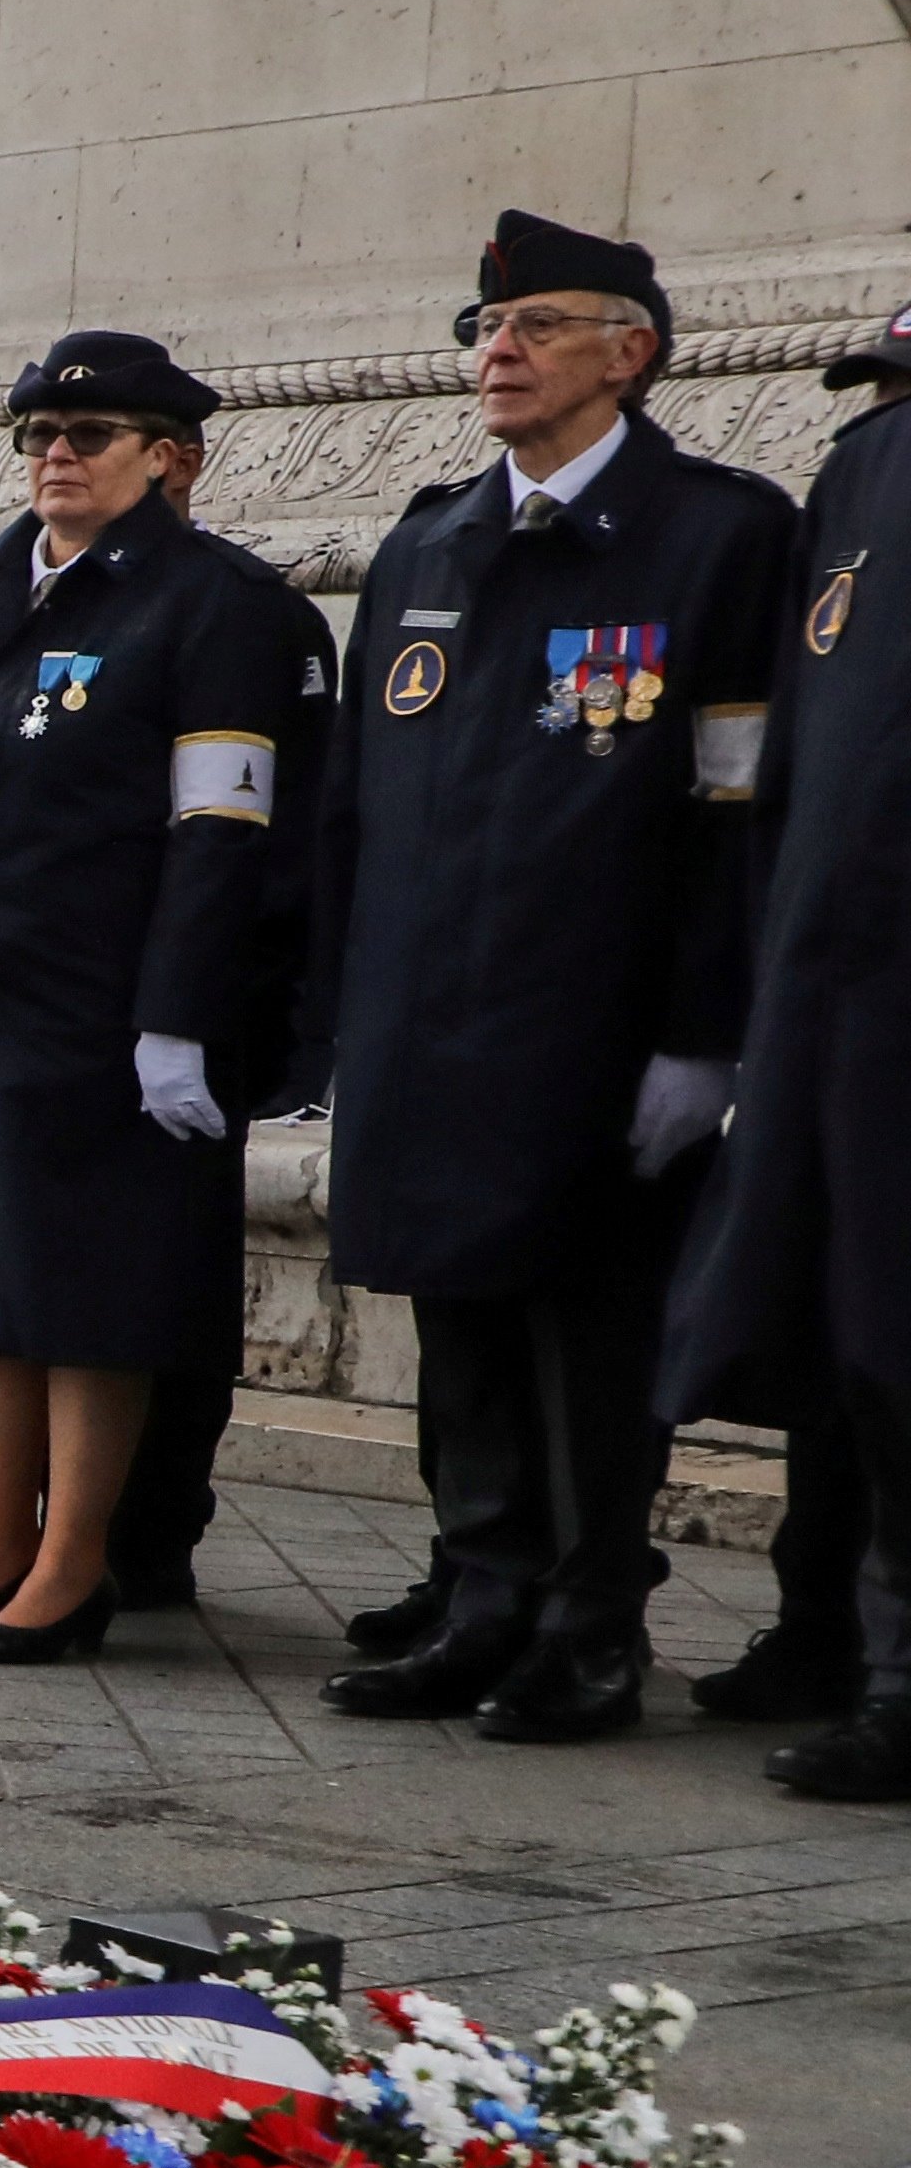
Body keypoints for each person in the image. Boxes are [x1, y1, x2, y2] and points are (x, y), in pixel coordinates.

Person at [307, 211, 793, 1740]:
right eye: (484, 330)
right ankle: (483, 1592)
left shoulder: (716, 534)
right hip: (426, 1012)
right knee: (456, 1314)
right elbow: (352, 806)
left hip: (595, 1018)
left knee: (588, 1335)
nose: (496, 353)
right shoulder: (431, 538)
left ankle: (589, 1626)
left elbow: (738, 806)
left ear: (629, 353)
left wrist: (704, 1034)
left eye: (533, 326)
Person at [0, 334, 314, 1659]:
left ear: (168, 457)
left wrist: (181, 1016)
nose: (56, 456)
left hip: (101, 1004)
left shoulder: (214, 605)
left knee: (86, 1285)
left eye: (89, 436)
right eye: (38, 434)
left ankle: (76, 1554)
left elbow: (223, 832)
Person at [673, 295, 911, 1793]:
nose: (879, 408)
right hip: (833, 989)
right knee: (847, 1335)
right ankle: (828, 1630)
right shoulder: (859, 489)